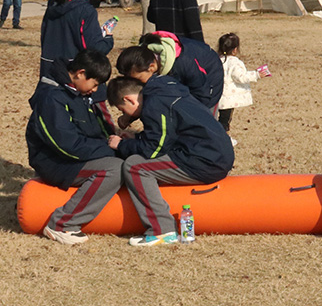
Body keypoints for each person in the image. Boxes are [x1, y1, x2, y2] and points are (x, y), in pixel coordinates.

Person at [107, 74, 234, 246]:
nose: (124, 115)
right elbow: (166, 137)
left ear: (128, 99)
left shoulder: (153, 105)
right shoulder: (166, 91)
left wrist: (121, 145)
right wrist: (136, 139)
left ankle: (162, 230)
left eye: (122, 110)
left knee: (134, 167)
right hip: (214, 154)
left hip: (204, 161)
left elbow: (153, 149)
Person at [26, 50, 123, 245]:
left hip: (79, 155)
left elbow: (92, 131)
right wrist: (109, 149)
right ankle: (62, 224)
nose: (95, 90)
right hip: (57, 161)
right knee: (115, 169)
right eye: (94, 84)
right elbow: (66, 145)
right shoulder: (51, 98)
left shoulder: (76, 92)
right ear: (79, 73)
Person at [40, 0, 114, 79]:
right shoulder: (85, 10)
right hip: (75, 76)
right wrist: (107, 40)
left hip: (49, 72)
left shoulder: (52, 6)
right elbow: (94, 49)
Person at [115, 31, 224, 113]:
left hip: (208, 83)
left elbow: (202, 95)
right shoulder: (142, 57)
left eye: (138, 80)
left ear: (151, 67)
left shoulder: (183, 63)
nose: (137, 84)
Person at [216, 32, 269, 145]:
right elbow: (241, 77)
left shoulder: (217, 60)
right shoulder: (234, 62)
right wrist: (257, 75)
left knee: (219, 117)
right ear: (235, 50)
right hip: (229, 99)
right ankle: (223, 139)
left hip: (217, 96)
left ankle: (221, 137)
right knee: (225, 120)